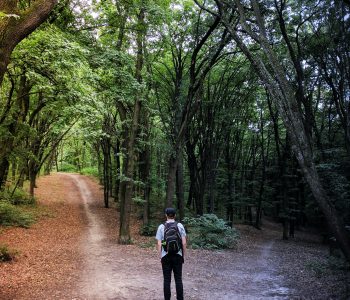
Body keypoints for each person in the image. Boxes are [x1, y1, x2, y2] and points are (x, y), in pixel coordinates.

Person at [156, 207, 187, 300]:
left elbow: (159, 243)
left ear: (166, 215)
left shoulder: (161, 227)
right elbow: (184, 242)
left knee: (166, 280)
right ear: (175, 215)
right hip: (178, 255)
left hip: (166, 256)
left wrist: (160, 256)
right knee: (178, 279)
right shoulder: (180, 226)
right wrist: (183, 255)